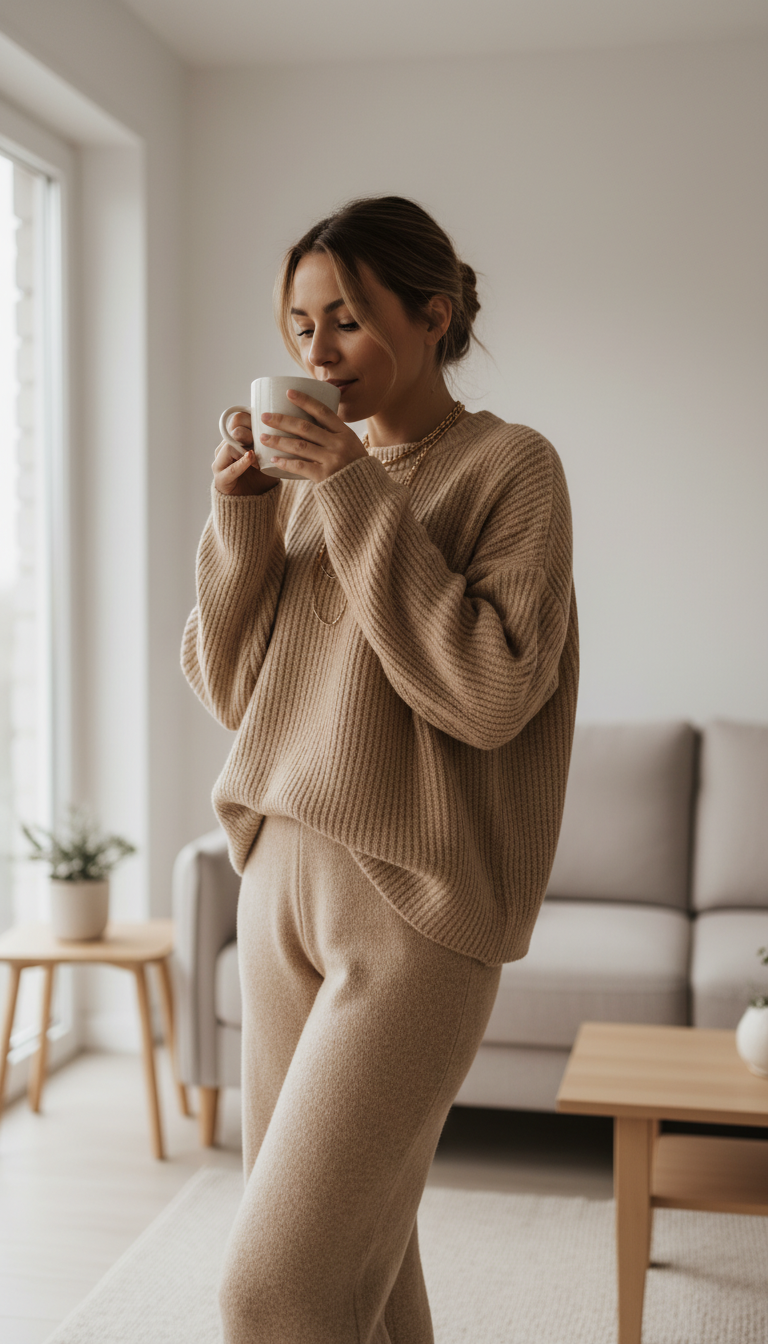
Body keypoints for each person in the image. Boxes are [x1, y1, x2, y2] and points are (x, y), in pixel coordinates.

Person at [181, 194, 578, 1344]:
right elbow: (227, 691)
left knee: (275, 1289)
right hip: (275, 888)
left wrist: (354, 492)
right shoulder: (309, 481)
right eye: (299, 326)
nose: (315, 353)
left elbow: (491, 695)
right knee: (364, 1272)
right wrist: (241, 516)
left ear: (432, 315)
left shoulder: (511, 469)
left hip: (414, 906)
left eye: (345, 320)